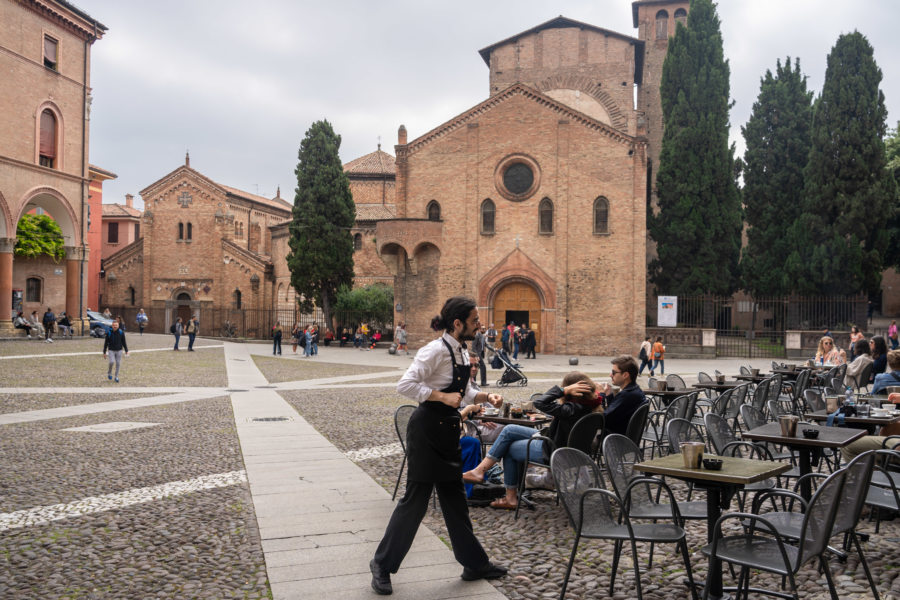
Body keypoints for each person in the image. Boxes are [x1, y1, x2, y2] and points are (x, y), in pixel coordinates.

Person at [370, 297, 506, 595]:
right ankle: (381, 565)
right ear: (457, 324)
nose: (479, 324)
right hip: (427, 432)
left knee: (455, 502)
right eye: (474, 320)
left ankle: (474, 564)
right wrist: (441, 398)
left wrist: (486, 397)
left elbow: (465, 389)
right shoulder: (434, 350)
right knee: (414, 504)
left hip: (447, 434)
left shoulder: (459, 350)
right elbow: (405, 385)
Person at [462, 371, 600, 510]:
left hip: (555, 451)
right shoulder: (592, 406)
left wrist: (562, 390)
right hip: (565, 447)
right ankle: (480, 471)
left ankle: (509, 498)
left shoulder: (569, 409)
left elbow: (539, 402)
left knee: (509, 447)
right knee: (510, 429)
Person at [599, 355, 648, 436]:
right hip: (622, 437)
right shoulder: (635, 390)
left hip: (614, 439)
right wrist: (608, 395)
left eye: (614, 372)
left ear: (625, 375)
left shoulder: (627, 395)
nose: (610, 375)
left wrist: (601, 395)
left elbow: (603, 419)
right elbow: (615, 412)